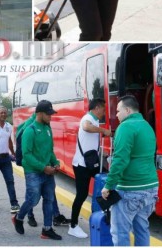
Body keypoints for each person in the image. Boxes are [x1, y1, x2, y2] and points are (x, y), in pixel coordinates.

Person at [101, 95, 159, 246]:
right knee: (142, 229)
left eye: (118, 111)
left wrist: (108, 185)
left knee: (120, 232)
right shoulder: (146, 126)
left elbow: (120, 159)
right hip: (151, 187)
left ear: (127, 110)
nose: (116, 115)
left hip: (131, 188)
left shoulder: (125, 127)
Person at [12, 100, 62, 240]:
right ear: (39, 113)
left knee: (49, 199)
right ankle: (19, 218)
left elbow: (49, 151)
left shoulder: (48, 129)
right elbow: (27, 155)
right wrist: (43, 167)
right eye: (48, 114)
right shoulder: (30, 130)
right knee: (33, 199)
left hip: (47, 172)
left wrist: (55, 162)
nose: (50, 117)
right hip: (33, 172)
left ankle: (47, 229)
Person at [68, 98, 111, 239]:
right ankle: (73, 226)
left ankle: (106, 215)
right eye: (103, 109)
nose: (104, 112)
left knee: (108, 181)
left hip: (91, 162)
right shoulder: (87, 118)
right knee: (82, 195)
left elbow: (89, 141)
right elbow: (86, 127)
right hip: (81, 165)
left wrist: (101, 153)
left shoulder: (95, 120)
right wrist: (103, 130)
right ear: (97, 108)